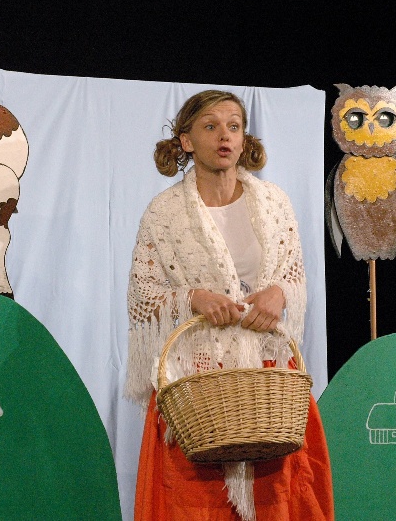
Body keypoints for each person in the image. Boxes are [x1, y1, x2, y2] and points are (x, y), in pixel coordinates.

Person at [125, 90, 334, 520]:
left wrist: (279, 294)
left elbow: (293, 276)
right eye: (211, 126)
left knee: (278, 495)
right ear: (186, 141)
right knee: (195, 503)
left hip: (268, 381)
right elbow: (143, 297)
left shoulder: (274, 203)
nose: (225, 135)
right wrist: (193, 299)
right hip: (196, 384)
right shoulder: (163, 214)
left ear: (243, 140)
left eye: (234, 126)